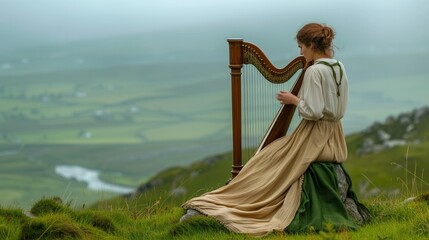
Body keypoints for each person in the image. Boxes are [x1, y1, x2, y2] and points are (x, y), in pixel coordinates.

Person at [180, 22, 370, 237]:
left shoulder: (315, 71)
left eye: (301, 48)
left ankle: (242, 196)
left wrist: (294, 100)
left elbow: (313, 112)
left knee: (269, 157)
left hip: (314, 134)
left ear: (310, 45)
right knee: (275, 151)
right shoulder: (338, 66)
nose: (300, 53)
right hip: (334, 131)